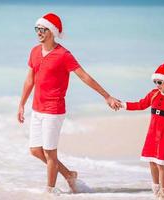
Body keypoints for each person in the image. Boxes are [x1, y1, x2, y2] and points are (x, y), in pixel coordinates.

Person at [17, 13, 121, 194]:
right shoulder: (34, 51)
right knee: (35, 150)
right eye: (37, 29)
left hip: (54, 110)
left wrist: (107, 96)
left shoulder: (63, 55)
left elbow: (84, 76)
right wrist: (21, 104)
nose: (39, 33)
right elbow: (29, 81)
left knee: (50, 153)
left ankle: (49, 192)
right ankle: (68, 174)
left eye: (43, 29)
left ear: (52, 32)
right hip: (37, 108)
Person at [122, 63, 164, 200]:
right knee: (151, 162)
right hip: (152, 136)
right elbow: (140, 105)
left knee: (160, 164)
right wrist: (123, 105)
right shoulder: (153, 94)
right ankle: (156, 189)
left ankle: (163, 193)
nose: (157, 85)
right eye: (155, 82)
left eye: (159, 82)